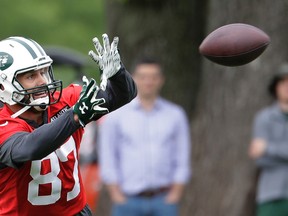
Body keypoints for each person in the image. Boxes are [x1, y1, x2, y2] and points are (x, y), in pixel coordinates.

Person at [0, 34, 137, 216]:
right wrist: (74, 117)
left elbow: (118, 97)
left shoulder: (67, 101)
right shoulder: (5, 123)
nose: (42, 81)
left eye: (43, 72)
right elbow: (30, 148)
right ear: (4, 86)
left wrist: (117, 75)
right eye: (31, 76)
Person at [98, 58, 191, 216]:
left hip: (164, 200)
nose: (148, 81)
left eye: (154, 77)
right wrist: (115, 193)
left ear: (161, 80)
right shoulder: (116, 116)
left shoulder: (175, 115)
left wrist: (176, 192)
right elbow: (107, 156)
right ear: (134, 78)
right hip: (127, 200)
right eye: (143, 76)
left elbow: (182, 156)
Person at [249, 64, 288, 216]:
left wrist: (268, 148)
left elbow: (262, 151)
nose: (287, 87)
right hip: (270, 195)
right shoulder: (264, 118)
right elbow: (259, 159)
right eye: (283, 82)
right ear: (275, 87)